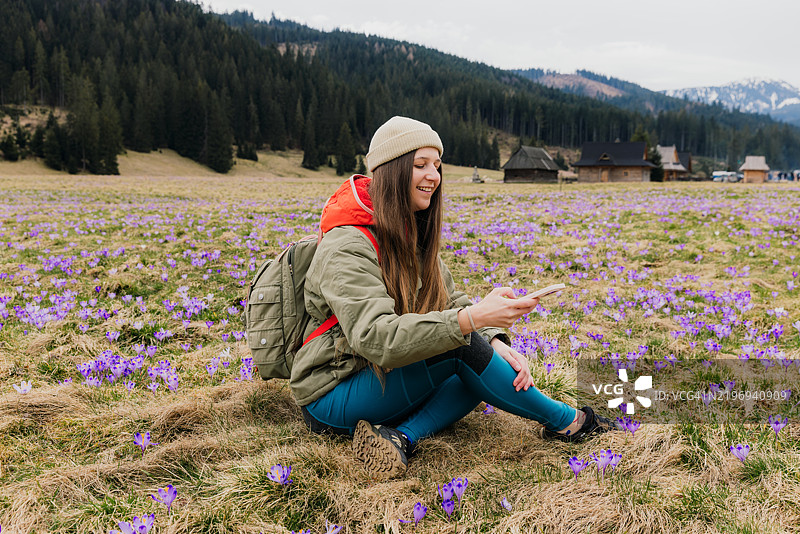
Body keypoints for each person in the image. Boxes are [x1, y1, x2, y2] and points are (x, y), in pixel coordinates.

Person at [292, 116, 614, 480]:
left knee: (475, 359)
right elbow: (377, 338)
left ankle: (401, 437)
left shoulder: (407, 228)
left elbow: (449, 300)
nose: (434, 176)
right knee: (460, 346)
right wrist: (474, 323)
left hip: (382, 380)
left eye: (437, 165)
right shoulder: (346, 245)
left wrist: (493, 339)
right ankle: (569, 422)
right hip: (333, 395)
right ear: (391, 171)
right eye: (420, 165)